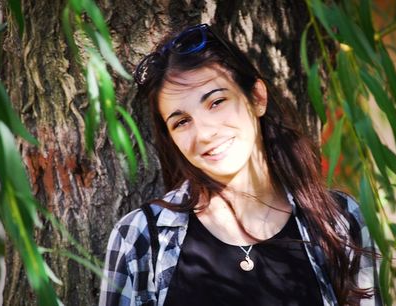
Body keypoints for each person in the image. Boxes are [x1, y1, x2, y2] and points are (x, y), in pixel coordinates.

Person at [99, 23, 381, 306]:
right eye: (182, 121)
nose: (204, 133)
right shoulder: (141, 238)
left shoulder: (338, 220)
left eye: (216, 102)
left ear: (257, 97)